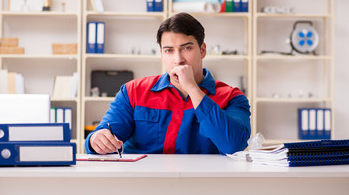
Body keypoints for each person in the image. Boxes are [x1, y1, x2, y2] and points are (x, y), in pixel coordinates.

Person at [85, 12, 251, 155]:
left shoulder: (232, 97)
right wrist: (96, 140)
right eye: (169, 50)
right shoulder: (133, 92)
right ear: (162, 54)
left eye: (187, 48)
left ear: (202, 50)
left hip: (202, 185)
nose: (178, 59)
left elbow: (233, 145)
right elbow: (102, 136)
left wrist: (192, 88)